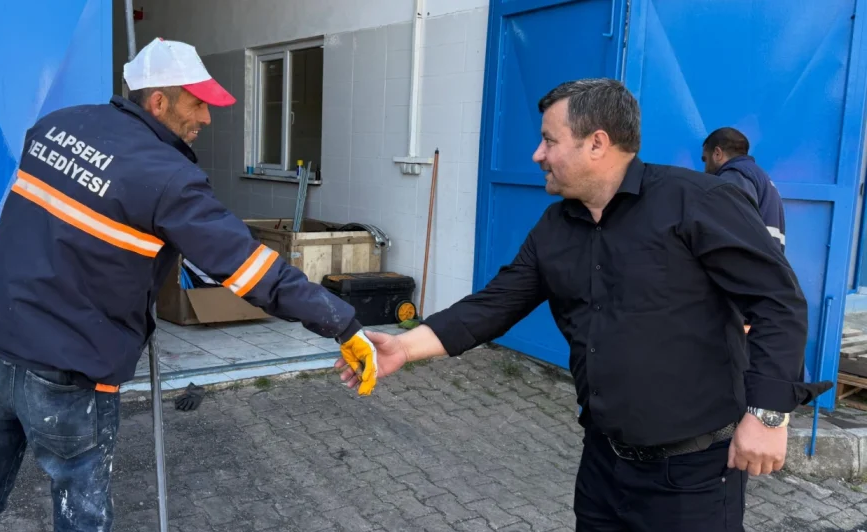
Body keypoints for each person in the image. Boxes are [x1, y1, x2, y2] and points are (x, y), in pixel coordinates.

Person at [336, 78, 832, 531]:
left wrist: (768, 414)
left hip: (693, 475)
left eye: (549, 140)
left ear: (597, 143)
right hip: (603, 465)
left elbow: (778, 301)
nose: (538, 154)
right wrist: (404, 348)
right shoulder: (556, 227)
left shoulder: (696, 201)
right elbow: (495, 304)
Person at [0, 38, 378, 532]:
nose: (206, 117)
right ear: (159, 101)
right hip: (71, 375)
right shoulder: (169, 177)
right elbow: (252, 270)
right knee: (81, 518)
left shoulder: (54, 128)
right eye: (197, 102)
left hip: (0, 352)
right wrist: (342, 323)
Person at [702, 127, 786, 251]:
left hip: (749, 258)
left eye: (705, 159)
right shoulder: (759, 176)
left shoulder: (735, 175)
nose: (704, 168)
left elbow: (733, 227)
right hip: (765, 257)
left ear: (717, 153)